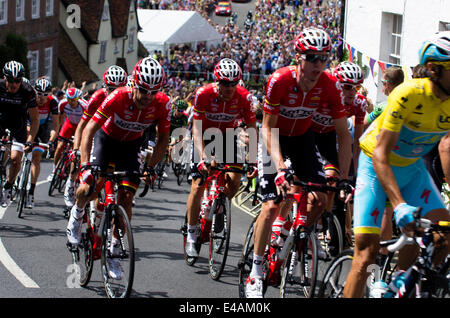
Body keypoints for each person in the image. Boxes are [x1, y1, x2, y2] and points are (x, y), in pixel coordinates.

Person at [245, 28, 352, 298]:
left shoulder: (330, 85)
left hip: (304, 139)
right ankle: (256, 272)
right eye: (312, 57)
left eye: (324, 58)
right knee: (271, 207)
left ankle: (297, 234)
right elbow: (267, 128)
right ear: (298, 57)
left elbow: (343, 135)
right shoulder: (279, 80)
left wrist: (343, 177)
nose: (318, 64)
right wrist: (280, 167)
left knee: (322, 197)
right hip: (275, 140)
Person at [343, 31, 450, 298]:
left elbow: (447, 147)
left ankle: (398, 284)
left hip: (412, 169)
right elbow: (381, 155)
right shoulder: (408, 94)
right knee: (366, 254)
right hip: (375, 165)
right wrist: (400, 205)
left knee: (444, 236)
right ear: (436, 70)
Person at [66, 57, 171, 279]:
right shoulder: (117, 96)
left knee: (125, 198)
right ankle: (77, 213)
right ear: (134, 84)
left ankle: (114, 251)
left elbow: (163, 139)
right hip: (107, 140)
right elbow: (89, 129)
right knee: (88, 188)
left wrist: (151, 167)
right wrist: (85, 165)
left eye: (154, 91)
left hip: (130, 147)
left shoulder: (162, 104)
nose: (148, 97)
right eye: (143, 90)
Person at [184, 58, 257, 258]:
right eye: (225, 83)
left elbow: (252, 127)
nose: (229, 88)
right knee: (198, 184)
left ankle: (220, 207)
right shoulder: (203, 94)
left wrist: (253, 160)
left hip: (227, 137)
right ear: (217, 82)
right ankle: (192, 233)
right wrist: (202, 158)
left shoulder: (244, 97)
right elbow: (196, 129)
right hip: (204, 136)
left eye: (233, 84)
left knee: (234, 180)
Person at [312, 61, 367, 246]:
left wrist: (354, 176)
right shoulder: (322, 94)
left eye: (356, 87)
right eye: (347, 87)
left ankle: (323, 222)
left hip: (330, 141)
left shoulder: (359, 103)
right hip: (309, 137)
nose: (352, 92)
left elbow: (357, 144)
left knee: (332, 180)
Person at [69, 65, 128, 212]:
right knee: (92, 180)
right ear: (104, 87)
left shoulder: (128, 100)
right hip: (95, 134)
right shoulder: (97, 97)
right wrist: (76, 149)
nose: (114, 93)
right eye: (110, 89)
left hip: (113, 138)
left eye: (118, 89)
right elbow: (82, 127)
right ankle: (75, 196)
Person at [0, 61, 39, 207]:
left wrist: (30, 140)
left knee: (16, 159)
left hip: (18, 125)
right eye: (10, 80)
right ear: (5, 77)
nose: (14, 84)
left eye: (17, 81)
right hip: (1, 122)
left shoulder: (28, 91)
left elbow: (35, 120)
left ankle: (8, 186)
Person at [48, 88, 88, 209]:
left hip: (81, 127)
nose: (71, 102)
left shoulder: (84, 105)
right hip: (69, 124)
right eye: (69, 100)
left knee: (76, 153)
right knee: (60, 146)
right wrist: (59, 133)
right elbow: (60, 118)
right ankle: (55, 169)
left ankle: (70, 173)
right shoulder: (62, 103)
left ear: (78, 99)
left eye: (74, 100)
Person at [27, 78, 59, 208]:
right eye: (39, 94)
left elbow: (56, 126)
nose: (42, 98)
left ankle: (31, 192)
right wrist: (29, 137)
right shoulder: (30, 98)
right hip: (27, 125)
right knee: (18, 156)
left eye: (46, 94)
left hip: (42, 129)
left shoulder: (52, 103)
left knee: (36, 158)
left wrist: (51, 141)